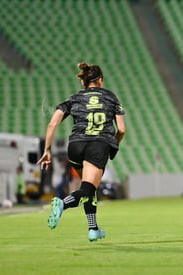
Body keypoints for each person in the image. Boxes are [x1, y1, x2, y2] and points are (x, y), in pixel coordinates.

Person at [37, 62, 126, 241]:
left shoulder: (74, 98)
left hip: (75, 146)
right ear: (100, 80)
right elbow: (122, 129)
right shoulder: (111, 97)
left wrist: (47, 150)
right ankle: (62, 203)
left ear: (83, 83)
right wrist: (112, 145)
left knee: (89, 187)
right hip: (98, 145)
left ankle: (93, 228)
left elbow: (52, 123)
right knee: (87, 189)